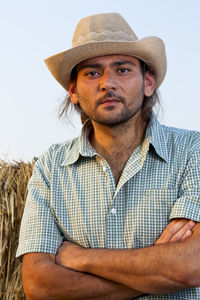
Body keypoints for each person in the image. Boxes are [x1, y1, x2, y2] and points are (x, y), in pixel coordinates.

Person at [16, 13, 200, 299]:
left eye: (123, 69)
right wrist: (160, 270)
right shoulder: (52, 166)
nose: (107, 83)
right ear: (74, 91)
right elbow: (39, 286)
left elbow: (192, 264)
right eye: (92, 72)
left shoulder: (192, 150)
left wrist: (80, 258)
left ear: (148, 82)